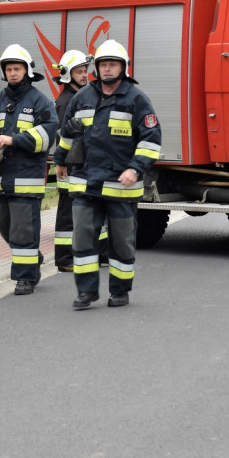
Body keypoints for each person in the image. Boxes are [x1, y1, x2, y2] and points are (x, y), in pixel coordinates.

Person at [53, 39, 161, 310]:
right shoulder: (82, 97)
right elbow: (67, 133)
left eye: (113, 64)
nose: (108, 69)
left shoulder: (137, 100)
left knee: (122, 243)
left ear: (123, 68)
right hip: (85, 184)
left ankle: (120, 291)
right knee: (83, 240)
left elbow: (151, 140)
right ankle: (86, 292)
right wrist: (60, 160)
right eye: (103, 64)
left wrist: (135, 169)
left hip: (121, 189)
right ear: (97, 68)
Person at [0, 44, 57, 296]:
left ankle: (26, 278)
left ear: (27, 71)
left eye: (17, 68)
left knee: (23, 231)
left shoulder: (40, 102)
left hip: (26, 181)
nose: (12, 73)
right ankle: (32, 257)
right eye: (9, 69)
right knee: (5, 227)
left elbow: (47, 135)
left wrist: (13, 139)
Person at [52, 49, 90, 272]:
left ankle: (101, 253)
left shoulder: (80, 98)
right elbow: (62, 135)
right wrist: (62, 162)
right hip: (68, 165)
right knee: (67, 212)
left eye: (85, 71)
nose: (84, 75)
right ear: (68, 74)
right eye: (79, 71)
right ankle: (64, 259)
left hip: (81, 163)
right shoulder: (65, 102)